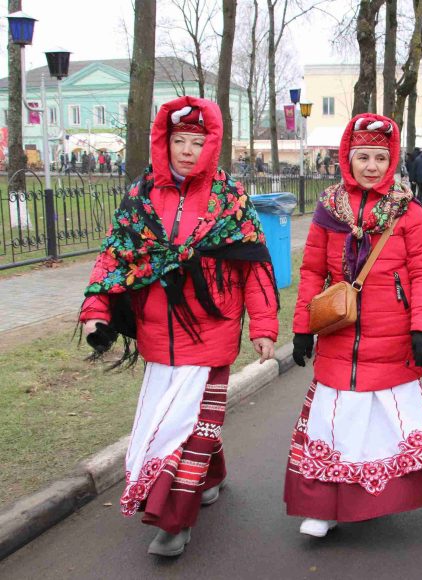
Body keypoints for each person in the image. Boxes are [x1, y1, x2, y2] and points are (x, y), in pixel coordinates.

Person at [80, 96, 279, 557]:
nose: (188, 151)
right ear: (163, 142)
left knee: (190, 429)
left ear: (211, 145)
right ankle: (213, 476)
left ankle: (174, 522)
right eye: (179, 141)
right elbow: (116, 255)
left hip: (213, 332)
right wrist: (96, 309)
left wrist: (264, 326)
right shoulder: (140, 196)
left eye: (197, 141)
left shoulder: (230, 199)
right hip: (157, 334)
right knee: (181, 422)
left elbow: (256, 266)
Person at [286, 113, 422, 538]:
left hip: (392, 341)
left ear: (391, 161)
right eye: (363, 157)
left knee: (379, 424)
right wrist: (302, 328)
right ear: (347, 159)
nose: (371, 166)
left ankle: (376, 499)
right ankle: (323, 508)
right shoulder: (328, 208)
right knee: (333, 422)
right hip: (338, 336)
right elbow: (313, 269)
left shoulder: (409, 213)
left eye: (379, 157)